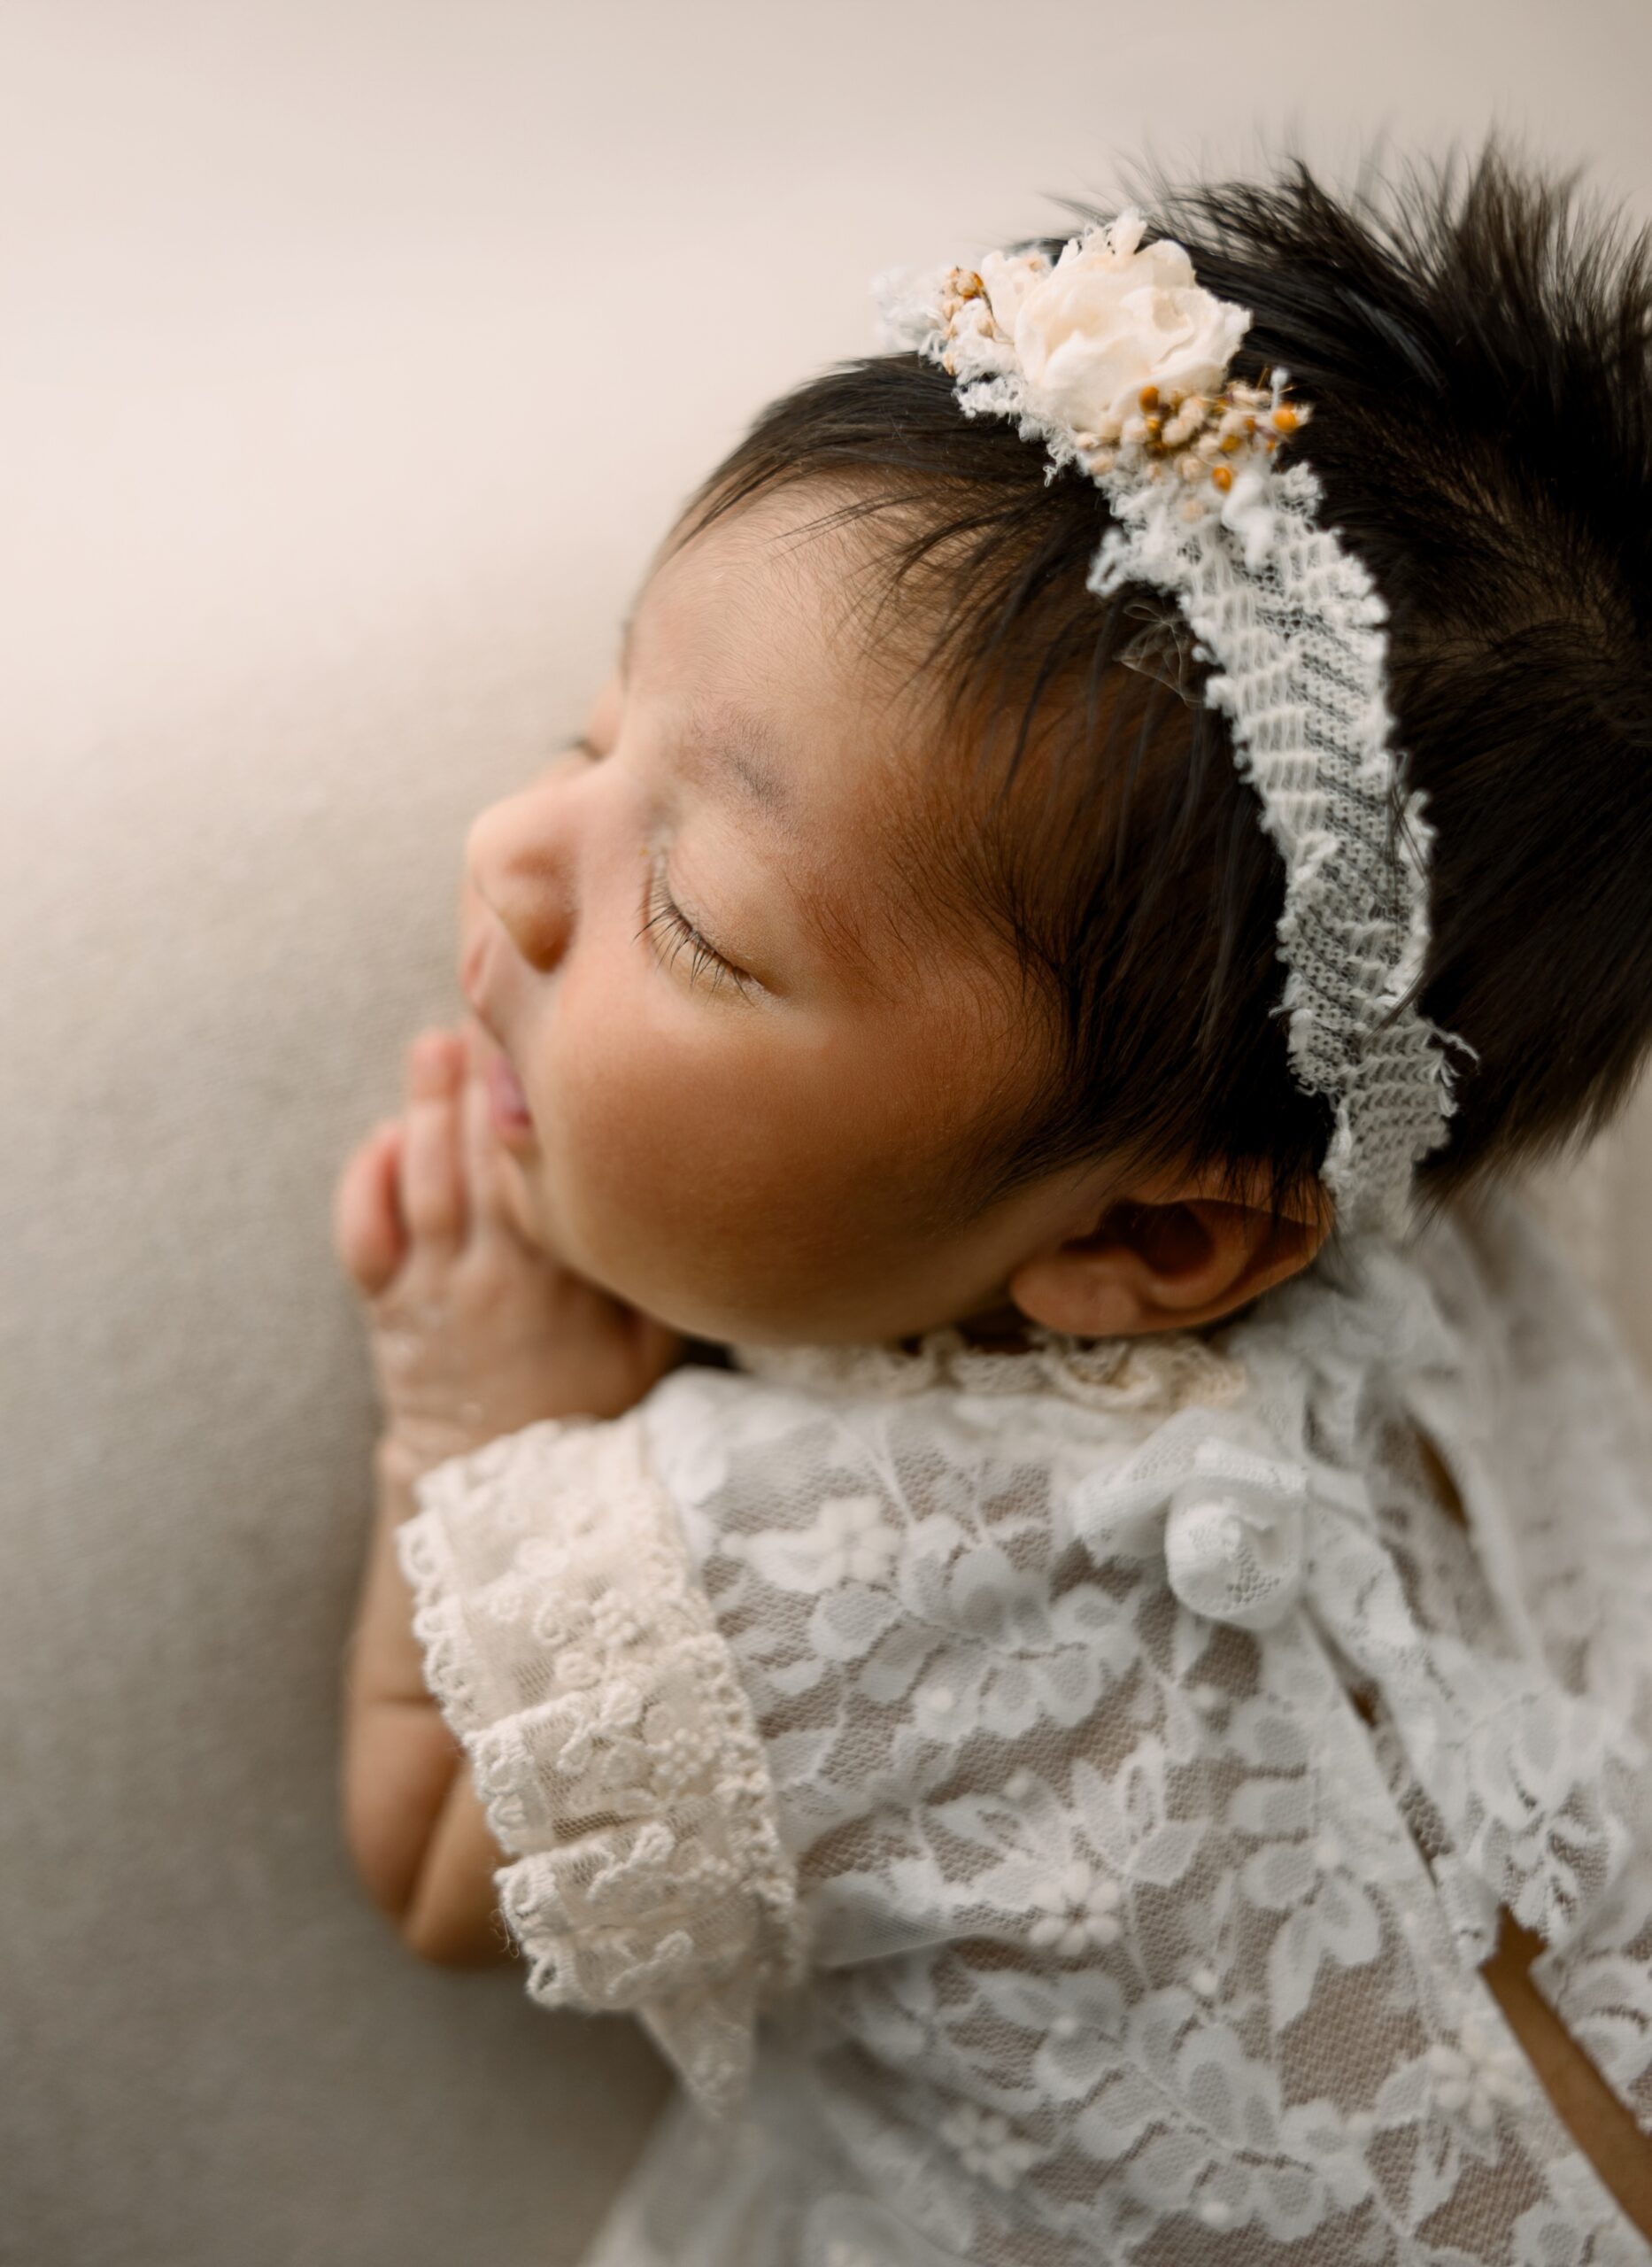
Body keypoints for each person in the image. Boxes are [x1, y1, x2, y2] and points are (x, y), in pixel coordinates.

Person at [332, 147, 1652, 2263]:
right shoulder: (1461, 1243)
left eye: (696, 912)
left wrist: (479, 1420)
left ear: (1151, 1247)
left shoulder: (801, 1562)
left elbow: (430, 1853)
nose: (510, 847)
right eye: (590, 730)